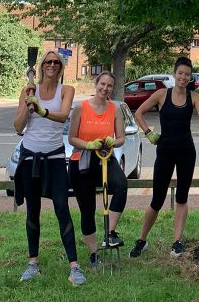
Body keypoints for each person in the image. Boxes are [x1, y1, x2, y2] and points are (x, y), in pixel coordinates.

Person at [130, 56, 199, 258]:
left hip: (186, 152)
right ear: (174, 74)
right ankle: (142, 239)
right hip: (165, 151)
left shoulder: (194, 97)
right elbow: (139, 113)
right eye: (180, 73)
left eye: (187, 74)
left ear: (190, 78)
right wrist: (148, 133)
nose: (183, 77)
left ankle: (177, 242)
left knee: (181, 197)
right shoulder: (162, 94)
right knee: (157, 199)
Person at [13, 49, 85, 286]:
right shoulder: (28, 90)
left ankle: (74, 266)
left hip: (54, 158)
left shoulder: (67, 90)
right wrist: (27, 103)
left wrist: (41, 109)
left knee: (62, 207)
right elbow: (18, 127)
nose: (52, 65)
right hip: (30, 158)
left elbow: (63, 116)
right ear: (41, 66)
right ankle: (32, 263)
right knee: (32, 210)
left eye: (56, 62)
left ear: (61, 67)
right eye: (48, 62)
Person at [67, 70, 129, 269]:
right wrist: (88, 145)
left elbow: (121, 138)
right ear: (96, 84)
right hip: (82, 160)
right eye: (102, 84)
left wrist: (113, 142)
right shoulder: (80, 107)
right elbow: (71, 138)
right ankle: (93, 253)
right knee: (88, 209)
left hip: (105, 157)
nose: (105, 88)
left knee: (121, 185)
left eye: (109, 85)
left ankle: (109, 233)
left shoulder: (115, 109)